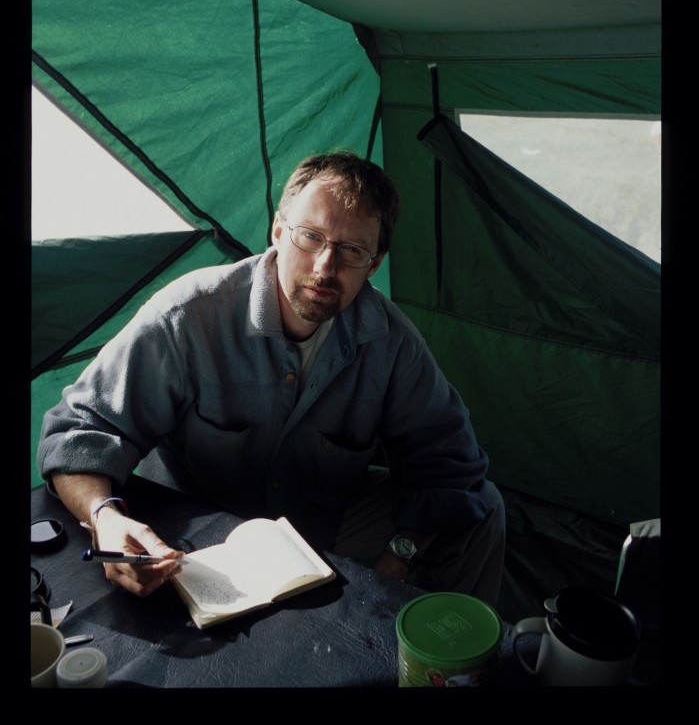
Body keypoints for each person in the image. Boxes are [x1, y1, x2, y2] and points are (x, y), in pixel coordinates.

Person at [38, 149, 505, 605]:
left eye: (352, 250)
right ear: (278, 231)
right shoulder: (187, 317)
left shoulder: (391, 341)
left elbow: (453, 467)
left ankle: (429, 654)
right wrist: (105, 518)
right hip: (197, 535)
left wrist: (398, 558)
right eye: (310, 237)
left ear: (374, 265)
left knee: (485, 508)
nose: (326, 266)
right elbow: (79, 429)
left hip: (324, 523)